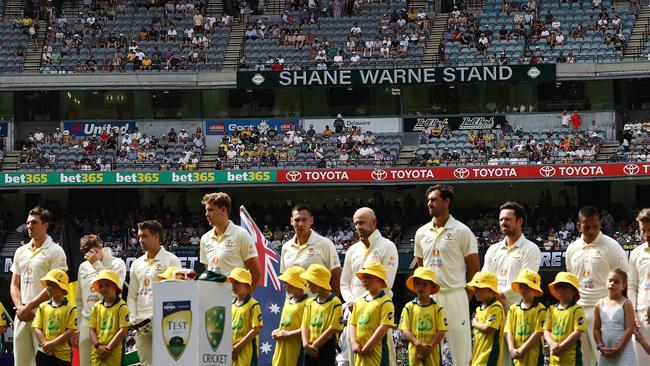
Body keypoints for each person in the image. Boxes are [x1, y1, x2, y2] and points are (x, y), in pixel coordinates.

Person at [414, 185, 480, 366]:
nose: (429, 203)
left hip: (455, 294)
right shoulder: (421, 233)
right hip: (430, 296)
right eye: (428, 200)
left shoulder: (462, 231)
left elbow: (474, 270)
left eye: (434, 199)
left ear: (446, 201)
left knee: (461, 351)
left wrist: (465, 296)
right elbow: (421, 268)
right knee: (427, 349)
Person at [565, 206, 629, 366]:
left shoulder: (612, 246)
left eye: (595, 226)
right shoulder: (571, 249)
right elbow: (571, 282)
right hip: (579, 311)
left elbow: (626, 280)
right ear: (579, 225)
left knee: (607, 359)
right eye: (587, 227)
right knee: (582, 360)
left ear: (600, 223)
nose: (591, 231)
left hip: (606, 313)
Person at [482, 201, 541, 366]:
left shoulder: (531, 249)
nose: (503, 223)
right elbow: (485, 278)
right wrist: (494, 297)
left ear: (520, 221)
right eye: (501, 220)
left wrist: (499, 295)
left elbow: (525, 282)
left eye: (507, 219)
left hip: (520, 314)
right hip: (494, 313)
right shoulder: (492, 250)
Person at [340, 207, 398, 366]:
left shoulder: (387, 246)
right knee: (355, 359)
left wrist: (365, 304)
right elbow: (344, 283)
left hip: (378, 311)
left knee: (382, 356)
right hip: (354, 310)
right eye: (356, 223)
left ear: (373, 222)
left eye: (362, 222)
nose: (358, 227)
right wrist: (352, 301)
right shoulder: (352, 250)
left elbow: (387, 283)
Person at [11, 207, 68, 366]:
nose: (29, 226)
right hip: (22, 315)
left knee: (44, 362)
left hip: (46, 316)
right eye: (28, 223)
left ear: (45, 225)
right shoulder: (20, 251)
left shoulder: (56, 251)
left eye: (34, 223)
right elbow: (14, 284)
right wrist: (20, 308)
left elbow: (54, 287)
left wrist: (29, 307)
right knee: (21, 363)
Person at [127, 220, 181, 366]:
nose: (140, 240)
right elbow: (132, 295)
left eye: (144, 236)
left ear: (156, 237)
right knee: (146, 364)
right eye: (139, 237)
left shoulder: (171, 260)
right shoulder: (136, 263)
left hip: (164, 322)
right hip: (141, 325)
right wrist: (133, 318)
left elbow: (177, 294)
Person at [76, 235, 126, 366]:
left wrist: (97, 264)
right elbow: (79, 298)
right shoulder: (83, 266)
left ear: (100, 248)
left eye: (93, 252)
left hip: (109, 320)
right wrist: (77, 325)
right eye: (86, 254)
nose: (90, 257)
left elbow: (116, 288)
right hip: (87, 321)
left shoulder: (117, 263)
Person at [199, 192, 262, 288]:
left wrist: (243, 298)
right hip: (213, 299)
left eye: (210, 210)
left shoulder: (241, 235)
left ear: (223, 210)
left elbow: (256, 273)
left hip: (235, 300)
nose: (207, 214)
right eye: (206, 210)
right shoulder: (205, 238)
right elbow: (209, 272)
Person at [280, 204, 342, 296]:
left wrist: (330, 301)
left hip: (318, 307)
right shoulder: (286, 247)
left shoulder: (325, 244)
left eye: (304, 220)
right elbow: (285, 278)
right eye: (297, 220)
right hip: (294, 306)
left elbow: (337, 274)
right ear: (291, 221)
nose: (301, 224)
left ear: (311, 220)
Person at [399, 267, 447, 366]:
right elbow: (405, 329)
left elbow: (442, 330)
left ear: (432, 287)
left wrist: (429, 346)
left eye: (425, 283)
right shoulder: (408, 307)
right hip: (414, 353)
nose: (421, 287)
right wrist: (418, 344)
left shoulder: (437, 308)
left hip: (433, 353)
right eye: (418, 283)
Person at [349, 263, 394, 366]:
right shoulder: (359, 301)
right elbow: (352, 323)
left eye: (368, 277)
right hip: (360, 355)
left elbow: (384, 326)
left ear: (380, 279)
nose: (364, 280)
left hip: (377, 355)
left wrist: (369, 346)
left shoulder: (385, 302)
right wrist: (354, 343)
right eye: (363, 277)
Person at [300, 264, 344, 366]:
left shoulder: (335, 302)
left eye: (309, 281)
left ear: (318, 282)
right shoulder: (310, 302)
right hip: (309, 346)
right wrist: (306, 344)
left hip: (325, 347)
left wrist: (315, 345)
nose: (307, 285)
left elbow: (333, 328)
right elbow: (304, 325)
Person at [32, 269, 77, 366]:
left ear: (61, 287)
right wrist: (45, 345)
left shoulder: (71, 308)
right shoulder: (42, 306)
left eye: (51, 284)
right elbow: (36, 327)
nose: (47, 288)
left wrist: (52, 344)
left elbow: (70, 331)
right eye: (47, 284)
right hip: (43, 353)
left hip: (62, 356)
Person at [593, 269, 636, 365]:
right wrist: (599, 345)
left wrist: (619, 348)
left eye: (616, 282)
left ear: (624, 285)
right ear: (606, 282)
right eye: (610, 280)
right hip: (605, 353)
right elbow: (596, 328)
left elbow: (630, 328)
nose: (612, 284)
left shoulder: (626, 304)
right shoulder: (599, 305)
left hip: (624, 352)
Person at [504, 269, 547, 366]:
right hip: (516, 358)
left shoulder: (541, 309)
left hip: (534, 357)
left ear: (535, 289)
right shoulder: (513, 309)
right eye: (521, 286)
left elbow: (538, 333)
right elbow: (508, 330)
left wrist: (522, 350)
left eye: (527, 286)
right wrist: (511, 349)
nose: (524, 289)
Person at [544, 272, 587, 366]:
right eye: (558, 287)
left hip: (572, 359)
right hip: (554, 359)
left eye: (564, 287)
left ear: (574, 291)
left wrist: (561, 347)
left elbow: (578, 332)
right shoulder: (552, 309)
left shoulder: (577, 309)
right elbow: (546, 330)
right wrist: (552, 344)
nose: (560, 289)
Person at [89, 270, 129, 366]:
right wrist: (98, 347)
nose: (103, 289)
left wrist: (108, 349)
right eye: (101, 286)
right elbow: (91, 329)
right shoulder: (96, 306)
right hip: (97, 353)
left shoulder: (122, 306)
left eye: (107, 285)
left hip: (113, 354)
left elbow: (123, 330)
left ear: (115, 286)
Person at [272, 266, 309, 366]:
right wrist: (277, 331)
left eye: (287, 283)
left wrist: (288, 334)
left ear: (296, 284)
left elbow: (307, 328)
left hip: (295, 350)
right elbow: (283, 325)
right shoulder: (287, 301)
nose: (284, 285)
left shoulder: (307, 303)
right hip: (281, 348)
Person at [467, 271, 504, 366]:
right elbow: (476, 338)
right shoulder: (478, 309)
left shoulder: (496, 307)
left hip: (489, 356)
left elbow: (488, 329)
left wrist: (474, 323)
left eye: (479, 288)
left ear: (490, 290)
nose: (475, 291)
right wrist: (472, 357)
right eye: (475, 288)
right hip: (477, 357)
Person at [228, 268, 263, 366]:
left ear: (247, 286)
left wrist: (239, 346)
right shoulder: (231, 304)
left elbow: (256, 329)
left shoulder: (253, 304)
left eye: (237, 283)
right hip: (232, 352)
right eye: (232, 283)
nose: (234, 286)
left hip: (247, 352)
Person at [630, 208, 650, 363]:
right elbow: (631, 286)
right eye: (644, 230)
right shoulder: (636, 253)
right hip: (641, 319)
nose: (647, 235)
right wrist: (633, 314)